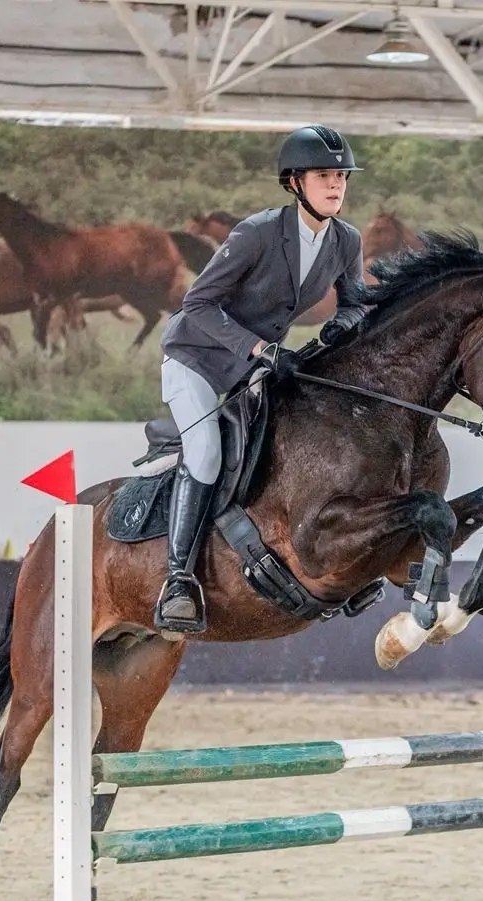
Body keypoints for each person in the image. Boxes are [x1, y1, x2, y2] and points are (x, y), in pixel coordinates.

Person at [153, 124, 368, 635]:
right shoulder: (257, 233)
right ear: (294, 182)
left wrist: (342, 324)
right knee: (205, 451)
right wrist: (258, 349)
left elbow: (355, 303)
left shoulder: (346, 240)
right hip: (196, 360)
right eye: (324, 176)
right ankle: (178, 579)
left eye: (341, 176)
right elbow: (197, 304)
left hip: (257, 367)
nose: (336, 185)